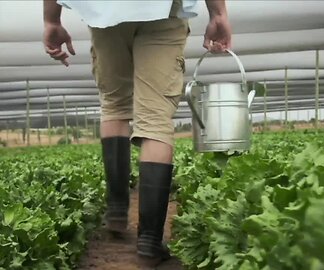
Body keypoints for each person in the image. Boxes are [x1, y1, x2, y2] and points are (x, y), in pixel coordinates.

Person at [42, 0, 232, 266]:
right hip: (163, 10)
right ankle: (149, 242)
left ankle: (118, 210)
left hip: (104, 11)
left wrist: (52, 20)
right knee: (155, 119)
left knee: (114, 105)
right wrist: (218, 13)